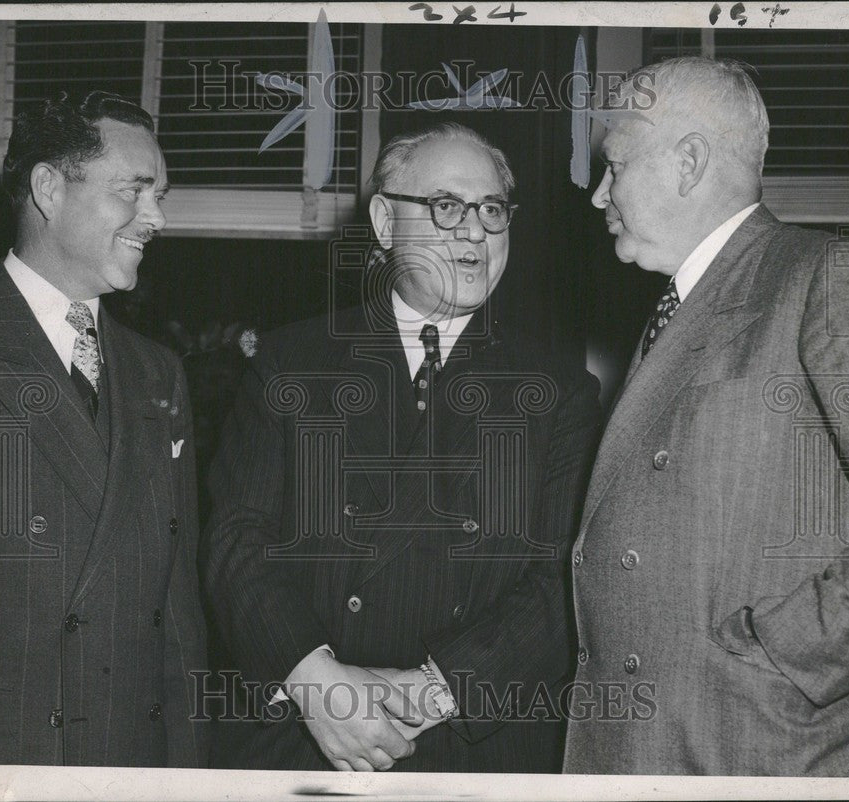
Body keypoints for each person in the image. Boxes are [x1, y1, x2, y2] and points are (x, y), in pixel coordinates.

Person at [203, 123, 601, 772]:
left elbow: (566, 577)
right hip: (305, 740)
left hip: (473, 744)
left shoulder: (559, 388)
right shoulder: (290, 361)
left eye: (493, 210)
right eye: (447, 207)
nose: (475, 232)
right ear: (386, 223)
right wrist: (315, 682)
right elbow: (236, 539)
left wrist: (437, 688)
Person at [563, 57, 849, 775]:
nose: (598, 195)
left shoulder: (823, 276)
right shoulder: (680, 302)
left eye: (614, 166)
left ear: (689, 163)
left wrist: (791, 651)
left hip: (757, 746)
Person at [0, 91, 209, 767]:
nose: (157, 218)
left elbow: (177, 613)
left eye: (161, 195)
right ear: (49, 188)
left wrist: (189, 771)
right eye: (135, 191)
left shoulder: (159, 374)